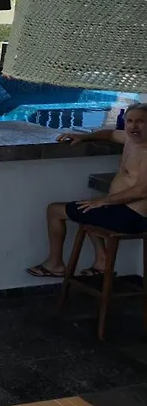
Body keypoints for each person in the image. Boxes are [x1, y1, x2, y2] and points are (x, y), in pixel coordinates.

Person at [27, 103, 147, 278]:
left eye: (140, 121)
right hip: (119, 209)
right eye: (129, 121)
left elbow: (142, 191)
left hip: (133, 217)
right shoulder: (131, 139)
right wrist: (84, 137)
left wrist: (103, 201)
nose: (133, 126)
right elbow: (110, 134)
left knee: (55, 210)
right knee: (87, 207)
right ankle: (102, 261)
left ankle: (55, 264)